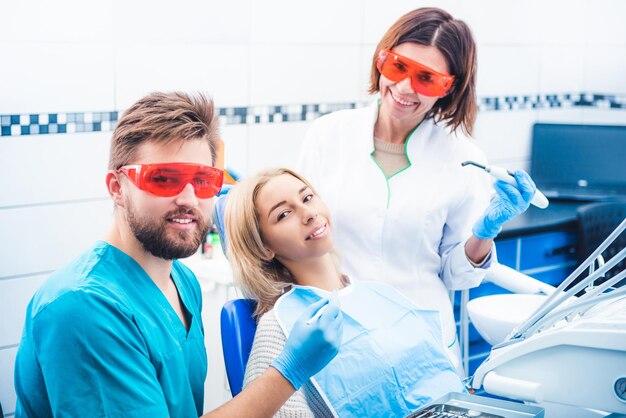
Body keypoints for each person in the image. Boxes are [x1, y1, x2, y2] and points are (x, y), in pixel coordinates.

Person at [13, 92, 343, 418]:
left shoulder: (182, 282)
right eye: (164, 179)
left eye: (202, 180)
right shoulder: (83, 306)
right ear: (117, 187)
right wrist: (287, 372)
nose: (188, 198)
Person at [297, 7, 537, 373]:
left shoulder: (464, 158)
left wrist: (484, 232)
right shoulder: (328, 136)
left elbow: (457, 275)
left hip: (421, 346)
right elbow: (296, 241)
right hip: (336, 339)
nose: (405, 88)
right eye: (398, 67)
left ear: (449, 86)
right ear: (381, 60)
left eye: (427, 78)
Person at [224, 167, 466, 417]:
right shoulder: (280, 326)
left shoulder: (378, 295)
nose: (308, 214)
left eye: (307, 198)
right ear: (264, 248)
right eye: (284, 214)